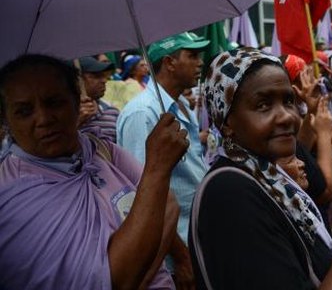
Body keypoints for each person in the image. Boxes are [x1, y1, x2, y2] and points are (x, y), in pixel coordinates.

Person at [191, 47, 332, 289]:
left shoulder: (270, 178)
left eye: (288, 101)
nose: (287, 116)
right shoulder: (228, 193)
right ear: (227, 122)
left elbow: (323, 267)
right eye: (263, 104)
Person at [0, 54, 186, 289]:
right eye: (24, 111)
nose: (44, 119)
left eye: (54, 102)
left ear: (77, 101)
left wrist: (139, 274)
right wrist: (157, 169)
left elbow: (168, 205)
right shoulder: (14, 195)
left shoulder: (98, 149)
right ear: (5, 120)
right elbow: (113, 280)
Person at [118, 31, 210, 287]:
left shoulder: (181, 105)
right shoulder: (142, 114)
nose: (200, 62)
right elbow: (145, 195)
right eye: (192, 56)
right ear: (169, 62)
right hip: (173, 257)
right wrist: (181, 258)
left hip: (196, 241)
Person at [76, 56, 120, 143]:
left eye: (104, 76)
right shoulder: (62, 116)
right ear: (77, 80)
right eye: (95, 76)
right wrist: (77, 122)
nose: (104, 80)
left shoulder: (112, 113)